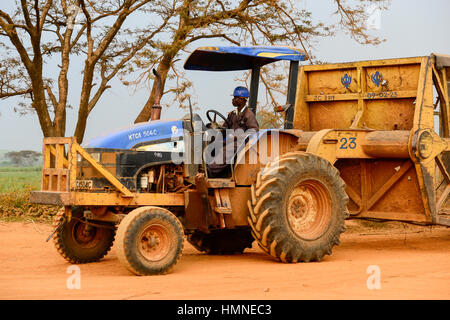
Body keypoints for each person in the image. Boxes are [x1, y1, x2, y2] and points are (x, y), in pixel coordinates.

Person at [207, 86, 259, 178]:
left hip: (241, 142)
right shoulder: (232, 114)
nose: (233, 100)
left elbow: (253, 130)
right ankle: (217, 173)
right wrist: (215, 128)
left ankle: (209, 173)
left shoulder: (249, 114)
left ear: (243, 99)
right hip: (230, 140)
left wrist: (236, 136)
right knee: (213, 145)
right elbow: (225, 128)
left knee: (225, 151)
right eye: (233, 97)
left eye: (235, 97)